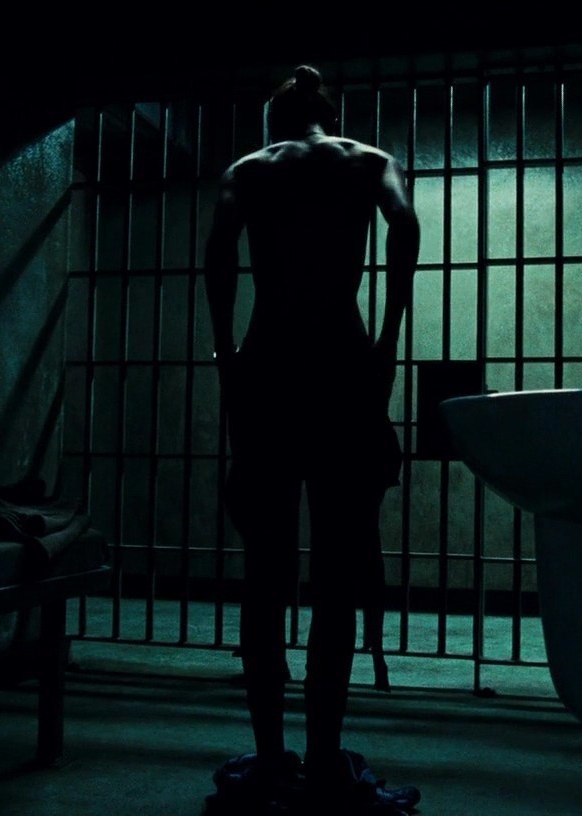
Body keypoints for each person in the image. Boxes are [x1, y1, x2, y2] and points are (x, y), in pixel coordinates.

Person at [201, 65, 421, 815]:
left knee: (265, 573)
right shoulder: (367, 161)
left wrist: (226, 352)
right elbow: (404, 226)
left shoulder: (251, 169)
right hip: (342, 364)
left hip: (270, 364)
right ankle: (325, 762)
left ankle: (271, 761)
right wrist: (387, 339)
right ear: (330, 113)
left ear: (275, 120)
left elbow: (219, 251)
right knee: (336, 577)